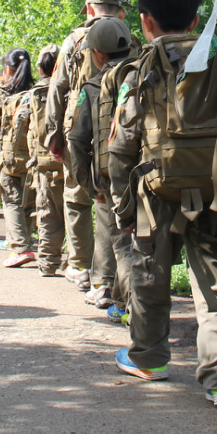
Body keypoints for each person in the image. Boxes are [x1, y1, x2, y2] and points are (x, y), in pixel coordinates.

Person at [107, 0, 217, 405]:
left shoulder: (138, 70)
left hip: (156, 191)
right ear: (196, 17)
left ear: (145, 22)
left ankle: (149, 357)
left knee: (150, 276)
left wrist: (121, 206)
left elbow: (121, 145)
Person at [45, 0, 128, 291]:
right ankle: (117, 272)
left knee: (77, 197)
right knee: (116, 196)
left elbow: (58, 87)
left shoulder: (74, 40)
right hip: (119, 128)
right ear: (120, 10)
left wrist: (52, 133)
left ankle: (81, 265)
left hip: (79, 127)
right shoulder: (126, 36)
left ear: (89, 8)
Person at [64, 18, 134, 311]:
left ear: (98, 55)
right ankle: (115, 291)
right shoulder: (147, 77)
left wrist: (88, 183)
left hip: (110, 177)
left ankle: (124, 299)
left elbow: (77, 141)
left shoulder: (91, 89)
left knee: (119, 239)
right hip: (151, 175)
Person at [0, 49, 36, 261]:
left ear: (7, 68)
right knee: (27, 199)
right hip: (34, 155)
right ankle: (17, 238)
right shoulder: (36, 91)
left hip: (8, 155)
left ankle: (20, 247)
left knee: (11, 199)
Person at [26, 44, 65, 276]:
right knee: (74, 212)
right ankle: (80, 265)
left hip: (45, 161)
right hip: (72, 159)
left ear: (40, 69)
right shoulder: (70, 86)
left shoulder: (35, 94)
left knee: (48, 213)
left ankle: (49, 263)